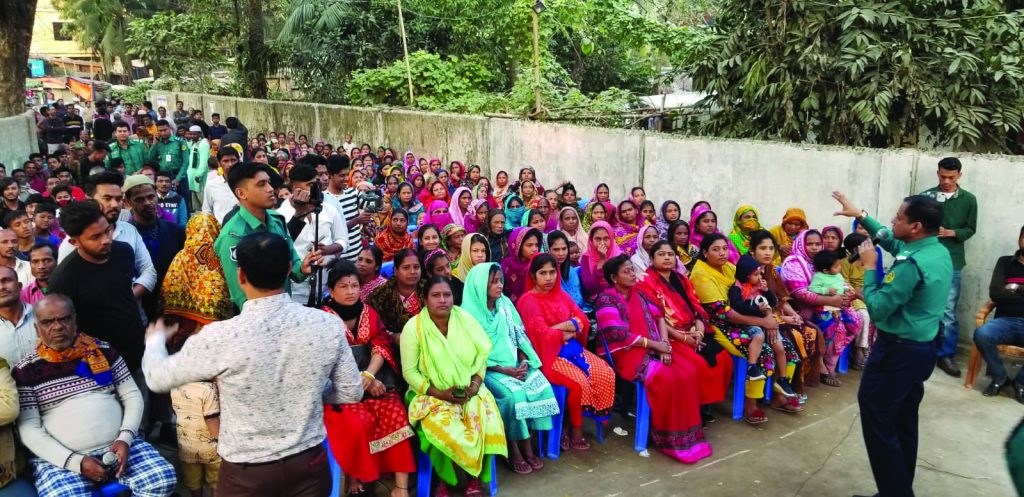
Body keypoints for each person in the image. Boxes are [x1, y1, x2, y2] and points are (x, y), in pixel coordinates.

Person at [143, 231, 363, 497]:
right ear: (287, 270)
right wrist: (308, 392)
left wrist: (155, 341)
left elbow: (156, 378)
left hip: (246, 474)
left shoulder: (220, 336)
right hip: (308, 465)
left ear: (241, 276)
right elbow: (351, 391)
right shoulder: (326, 324)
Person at [832, 191, 952, 497]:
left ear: (916, 226)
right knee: (902, 420)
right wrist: (860, 215)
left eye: (899, 217)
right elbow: (890, 240)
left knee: (877, 419)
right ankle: (895, 490)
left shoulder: (910, 264)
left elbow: (879, 307)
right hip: (921, 349)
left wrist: (871, 266)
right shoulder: (936, 251)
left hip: (898, 351)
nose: (893, 220)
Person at [14, 294, 177, 497]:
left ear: (75, 321)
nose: (57, 327)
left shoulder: (103, 351)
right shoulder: (26, 371)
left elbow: (133, 395)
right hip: (63, 460)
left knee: (163, 479)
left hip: (121, 446)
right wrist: (77, 462)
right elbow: (29, 429)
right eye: (48, 322)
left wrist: (125, 438)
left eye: (64, 319)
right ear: (37, 329)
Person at [594, 255, 714, 463]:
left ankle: (689, 434)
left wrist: (665, 345)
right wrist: (655, 345)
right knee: (667, 378)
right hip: (626, 352)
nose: (633, 274)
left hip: (653, 345)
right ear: (614, 278)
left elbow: (659, 318)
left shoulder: (640, 293)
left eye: (633, 269)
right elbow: (617, 333)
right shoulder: (607, 299)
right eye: (627, 271)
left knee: (688, 372)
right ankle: (668, 437)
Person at [400, 276, 508, 497]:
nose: (442, 300)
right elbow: (410, 372)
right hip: (430, 394)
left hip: (470, 388)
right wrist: (440, 393)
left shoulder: (465, 319)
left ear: (453, 297)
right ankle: (444, 479)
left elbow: (481, 356)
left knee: (485, 421)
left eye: (447, 295)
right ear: (425, 299)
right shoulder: (414, 328)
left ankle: (473, 478)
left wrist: (475, 385)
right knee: (445, 429)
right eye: (436, 295)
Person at [321, 261, 415, 497]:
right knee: (358, 421)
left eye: (354, 285)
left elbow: (381, 343)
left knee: (395, 413)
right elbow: (325, 362)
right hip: (339, 389)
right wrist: (361, 380)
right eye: (344, 286)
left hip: (373, 379)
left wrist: (370, 374)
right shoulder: (321, 319)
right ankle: (357, 475)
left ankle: (400, 486)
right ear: (331, 290)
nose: (351, 291)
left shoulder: (368, 312)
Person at [691, 234, 800, 423]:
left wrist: (769, 318)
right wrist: (762, 322)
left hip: (748, 319)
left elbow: (756, 292)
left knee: (787, 346)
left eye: (724, 248)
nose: (722, 253)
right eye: (716, 250)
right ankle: (751, 406)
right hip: (720, 325)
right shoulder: (701, 274)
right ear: (705, 253)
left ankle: (779, 395)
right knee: (764, 351)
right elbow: (723, 313)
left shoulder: (729, 268)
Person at [462, 263, 557, 475]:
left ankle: (528, 443)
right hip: (488, 370)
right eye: (493, 282)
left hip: (514, 364)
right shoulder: (467, 315)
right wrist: (504, 370)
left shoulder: (505, 304)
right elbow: (470, 355)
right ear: (479, 286)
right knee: (514, 397)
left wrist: (523, 361)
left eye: (500, 281)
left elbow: (519, 336)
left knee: (542, 387)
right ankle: (514, 448)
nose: (499, 286)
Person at [517, 254, 615, 451]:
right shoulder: (528, 301)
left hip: (573, 350)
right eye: (542, 273)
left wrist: (560, 328)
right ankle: (574, 429)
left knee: (605, 373)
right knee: (578, 384)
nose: (549, 278)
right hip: (548, 356)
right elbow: (542, 335)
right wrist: (569, 328)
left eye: (552, 272)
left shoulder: (561, 294)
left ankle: (572, 424)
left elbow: (583, 320)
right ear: (533, 276)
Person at [919, 157, 978, 377]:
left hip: (952, 261)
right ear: (937, 173)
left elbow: (971, 229)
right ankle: (923, 349)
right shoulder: (926, 196)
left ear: (959, 176)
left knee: (948, 311)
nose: (946, 181)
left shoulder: (969, 200)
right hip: (926, 259)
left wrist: (951, 232)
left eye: (951, 177)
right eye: (942, 176)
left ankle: (946, 354)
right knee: (922, 305)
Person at [746, 230, 821, 400]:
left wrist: (795, 315)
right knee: (792, 339)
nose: (768, 252)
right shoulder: (747, 272)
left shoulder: (772, 270)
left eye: (771, 248)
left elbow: (781, 299)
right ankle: (771, 398)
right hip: (758, 320)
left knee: (810, 330)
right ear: (752, 251)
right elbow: (753, 303)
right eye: (763, 248)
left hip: (776, 316)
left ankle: (791, 388)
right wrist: (780, 319)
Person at [780, 230, 852, 388]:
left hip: (825, 305)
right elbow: (801, 295)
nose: (814, 247)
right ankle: (822, 366)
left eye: (818, 244)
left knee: (854, 320)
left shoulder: (820, 262)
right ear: (801, 244)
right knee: (831, 322)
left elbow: (837, 281)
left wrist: (845, 296)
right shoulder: (794, 263)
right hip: (800, 309)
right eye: (809, 244)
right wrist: (833, 300)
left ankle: (828, 362)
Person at [727, 254, 800, 398]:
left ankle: (782, 379)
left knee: (780, 347)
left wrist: (767, 291)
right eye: (756, 274)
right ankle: (752, 367)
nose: (760, 276)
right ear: (745, 275)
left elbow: (773, 303)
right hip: (750, 323)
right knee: (758, 336)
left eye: (760, 273)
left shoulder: (760, 286)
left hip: (767, 322)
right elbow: (738, 306)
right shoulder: (737, 288)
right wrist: (758, 310)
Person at [277, 164, 348, 305]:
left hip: (325, 283)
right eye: (310, 184)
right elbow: (279, 249)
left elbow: (343, 241)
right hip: (296, 287)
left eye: (317, 183)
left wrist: (328, 249)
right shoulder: (281, 214)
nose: (316, 187)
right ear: (295, 188)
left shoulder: (329, 210)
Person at [972, 224, 1024, 402]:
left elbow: (1003, 294)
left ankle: (1021, 383)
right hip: (1005, 322)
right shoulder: (1004, 262)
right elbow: (995, 293)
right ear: (1020, 239)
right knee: (982, 333)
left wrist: (1015, 288)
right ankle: (1000, 377)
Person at [123, 175, 185, 320]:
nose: (147, 203)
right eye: (139, 199)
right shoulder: (124, 235)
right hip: (139, 306)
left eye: (151, 197)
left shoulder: (175, 231)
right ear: (128, 202)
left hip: (172, 305)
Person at [366, 249, 423, 338]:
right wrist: (393, 337)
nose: (412, 272)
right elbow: (373, 327)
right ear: (396, 271)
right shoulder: (380, 296)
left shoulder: (429, 290)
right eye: (406, 267)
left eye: (416, 267)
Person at [579, 221, 621, 303]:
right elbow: (590, 288)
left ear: (611, 239)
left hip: (618, 298)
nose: (602, 243)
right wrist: (602, 261)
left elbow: (622, 283)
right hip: (597, 301)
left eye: (606, 238)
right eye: (598, 239)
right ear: (591, 240)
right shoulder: (586, 258)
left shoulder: (619, 256)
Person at [501, 227, 543, 304]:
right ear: (518, 246)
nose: (534, 249)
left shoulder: (540, 264)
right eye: (529, 245)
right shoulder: (505, 267)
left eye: (536, 245)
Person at [201, 148, 241, 224]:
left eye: (233, 160)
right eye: (226, 161)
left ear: (238, 161)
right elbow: (207, 212)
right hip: (221, 231)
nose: (230, 164)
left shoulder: (248, 183)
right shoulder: (211, 185)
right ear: (219, 164)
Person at [184, 125, 211, 212]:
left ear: (200, 134)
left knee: (204, 202)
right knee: (196, 206)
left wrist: (199, 174)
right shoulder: (194, 143)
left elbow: (204, 162)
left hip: (199, 178)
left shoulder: (203, 144)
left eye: (194, 134)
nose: (192, 136)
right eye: (190, 134)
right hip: (192, 178)